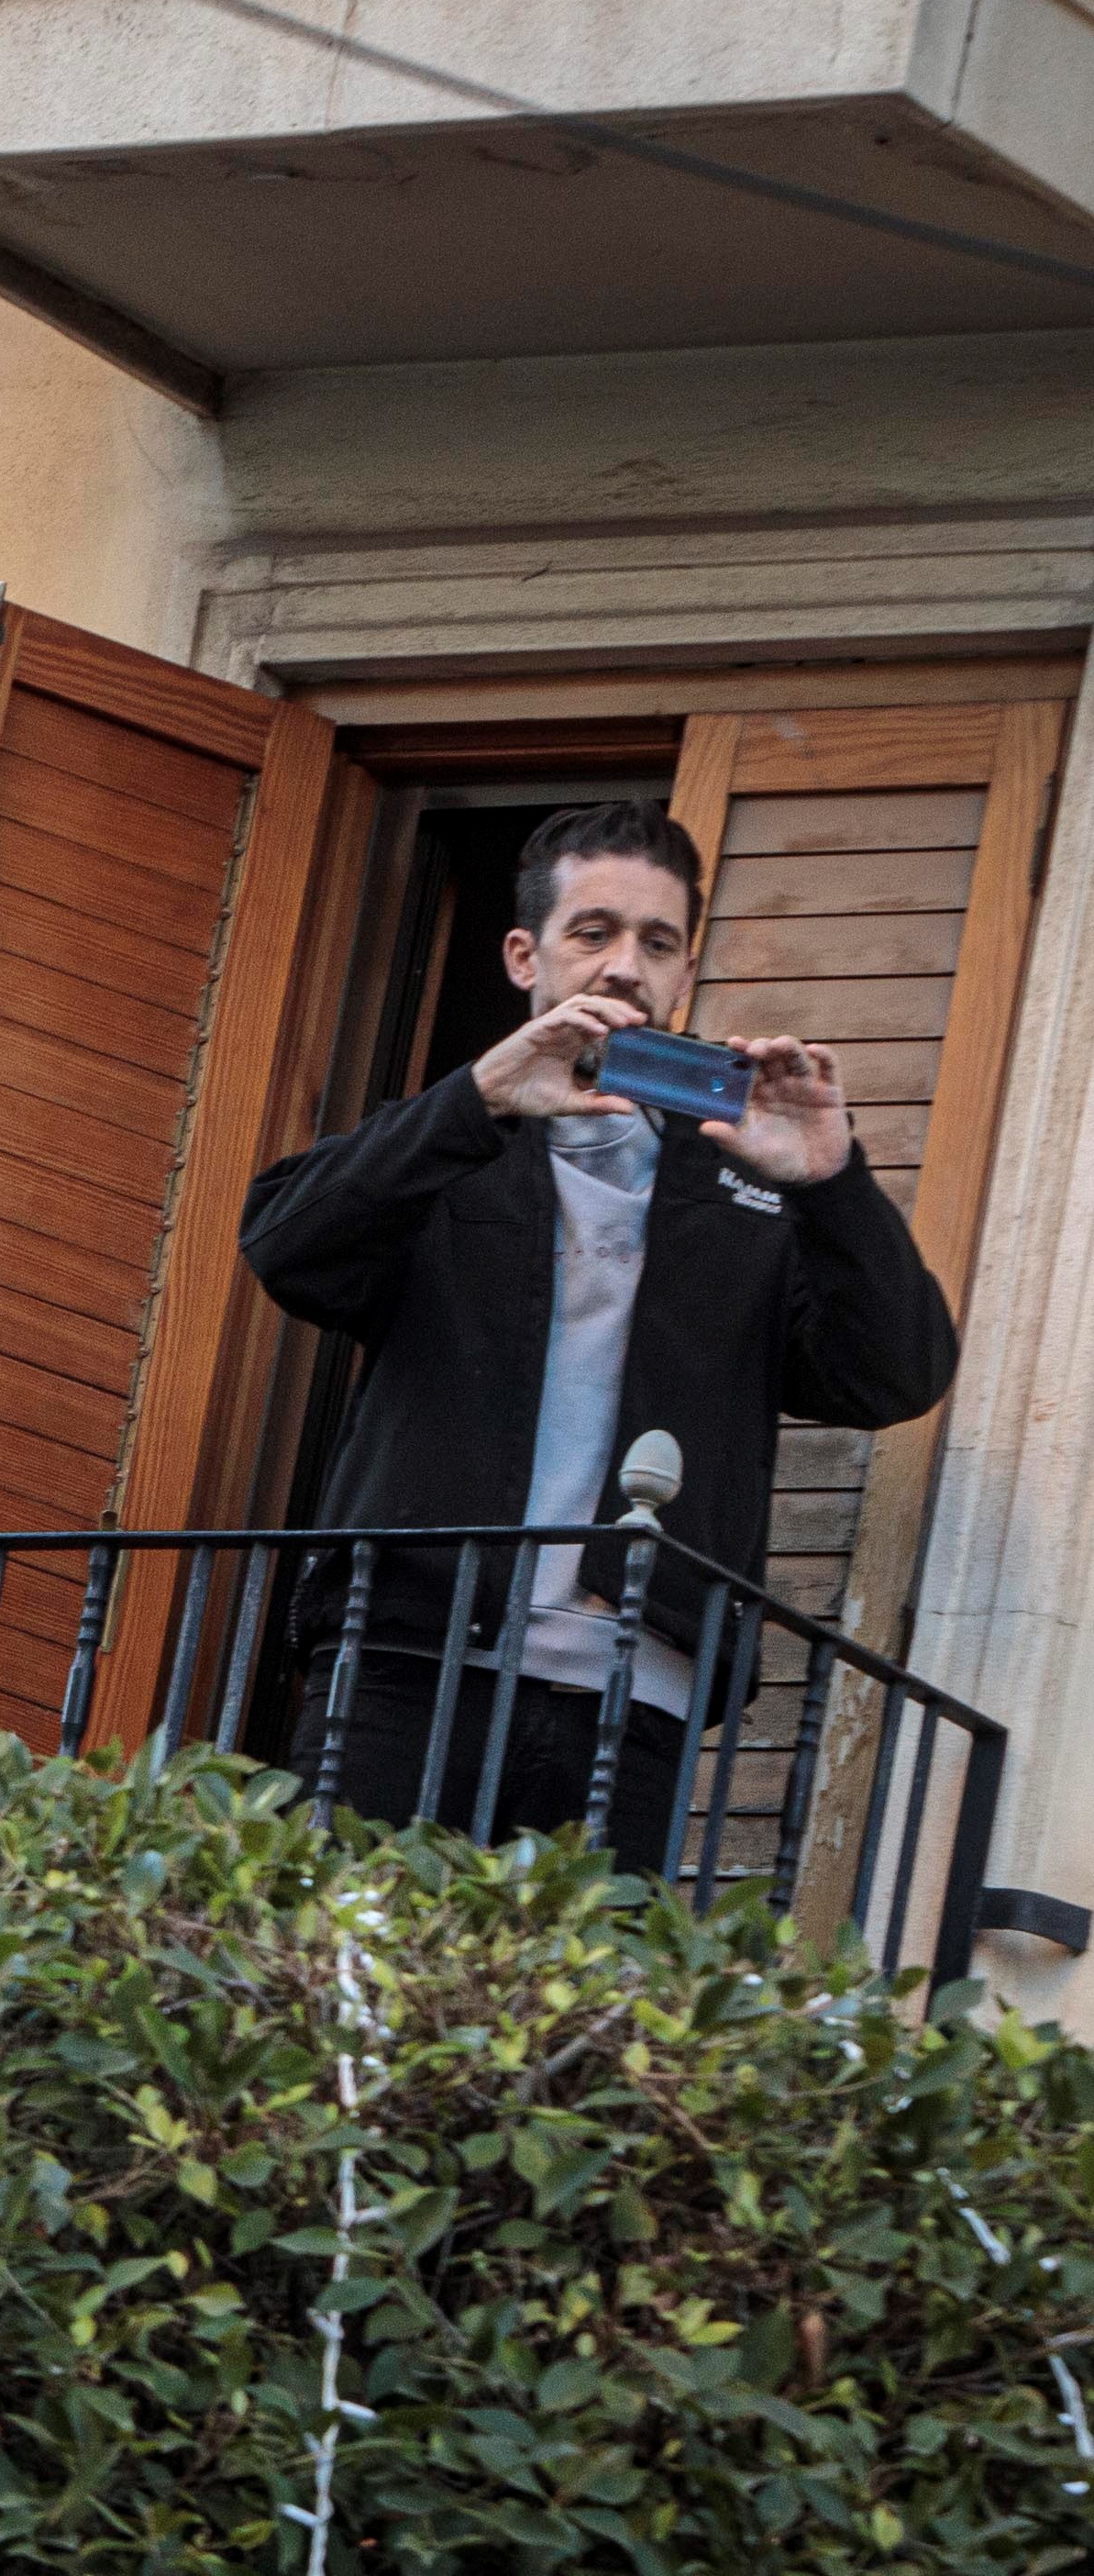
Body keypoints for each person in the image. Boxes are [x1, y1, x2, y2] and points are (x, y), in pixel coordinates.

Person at [239, 798, 957, 1866]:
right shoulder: (436, 1149)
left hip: (636, 1694)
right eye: (593, 932)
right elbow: (286, 1244)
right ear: (523, 955)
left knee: (577, 2029)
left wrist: (831, 1185)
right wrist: (477, 1100)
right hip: (404, 1662)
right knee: (344, 1998)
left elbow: (892, 1376)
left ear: (683, 975)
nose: (624, 965)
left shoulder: (738, 1183)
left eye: (655, 943)